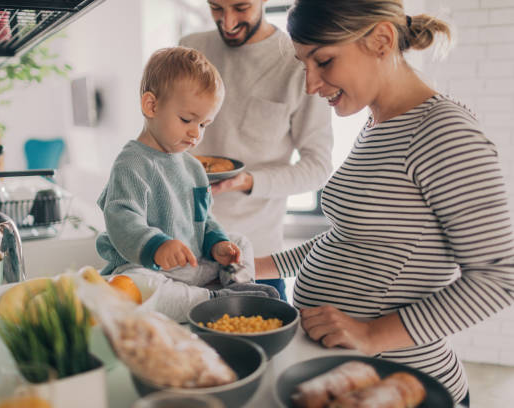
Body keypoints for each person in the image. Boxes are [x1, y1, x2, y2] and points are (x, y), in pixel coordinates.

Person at [255, 0, 514, 405]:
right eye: (303, 64)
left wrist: (372, 333)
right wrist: (256, 266)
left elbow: (499, 277)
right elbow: (350, 239)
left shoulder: (444, 132)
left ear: (381, 39)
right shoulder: (376, 124)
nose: (309, 84)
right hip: (347, 374)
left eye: (323, 61)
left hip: (402, 384)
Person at [96, 47, 278, 322]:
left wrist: (218, 245)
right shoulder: (131, 163)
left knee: (240, 241)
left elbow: (204, 219)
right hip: (149, 268)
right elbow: (121, 219)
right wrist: (156, 246)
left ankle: (237, 284)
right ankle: (214, 301)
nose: (196, 133)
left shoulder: (192, 166)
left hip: (191, 264)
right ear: (151, 106)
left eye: (204, 124)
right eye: (187, 120)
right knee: (136, 288)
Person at [180, 0, 334, 301]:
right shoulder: (191, 49)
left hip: (255, 257)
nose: (227, 22)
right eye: (216, 8)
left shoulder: (299, 61)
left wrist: (248, 181)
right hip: (187, 251)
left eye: (241, 7)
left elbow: (318, 167)